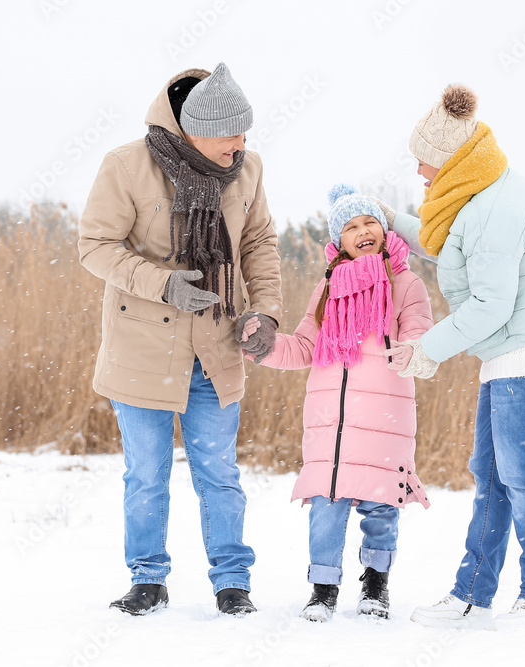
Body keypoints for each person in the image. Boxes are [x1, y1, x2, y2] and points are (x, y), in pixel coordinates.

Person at [78, 63, 283, 616]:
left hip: (216, 346)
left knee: (219, 473)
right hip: (142, 347)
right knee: (146, 475)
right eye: (229, 134)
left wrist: (265, 311)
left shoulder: (248, 169)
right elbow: (95, 245)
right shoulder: (127, 165)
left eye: (245, 133)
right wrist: (163, 284)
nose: (240, 145)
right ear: (192, 129)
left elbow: (259, 243)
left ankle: (232, 581)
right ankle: (148, 579)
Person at [382, 84, 525, 630]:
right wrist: (387, 218)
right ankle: (472, 596)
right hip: (509, 352)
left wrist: (426, 350)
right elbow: (447, 242)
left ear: (449, 161)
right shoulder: (475, 192)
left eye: (424, 158)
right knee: (491, 476)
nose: (418, 167)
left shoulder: (497, 207)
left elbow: (493, 305)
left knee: (521, 476)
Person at [240, 184, 433, 622]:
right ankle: (323, 589)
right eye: (351, 226)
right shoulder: (326, 289)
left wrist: (415, 350)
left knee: (382, 506)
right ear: (338, 242)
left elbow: (420, 332)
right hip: (331, 422)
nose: (363, 230)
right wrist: (265, 346)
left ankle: (376, 584)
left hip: (385, 417)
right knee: (326, 504)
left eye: (370, 223)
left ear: (384, 232)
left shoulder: (406, 283)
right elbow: (304, 346)